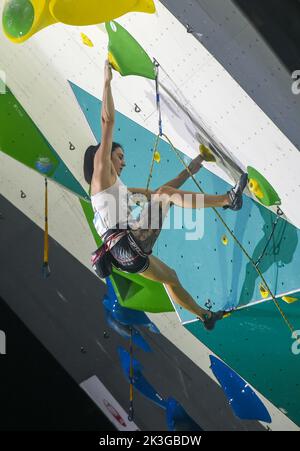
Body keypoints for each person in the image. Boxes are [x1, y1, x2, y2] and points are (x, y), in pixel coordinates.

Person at [84, 61, 248, 330]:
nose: (123, 162)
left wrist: (193, 166)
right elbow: (107, 120)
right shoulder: (100, 174)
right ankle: (229, 200)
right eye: (119, 156)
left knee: (170, 277)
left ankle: (204, 316)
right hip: (124, 243)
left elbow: (159, 192)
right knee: (164, 195)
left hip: (124, 257)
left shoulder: (115, 189)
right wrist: (106, 81)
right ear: (103, 156)